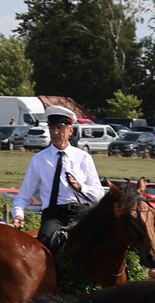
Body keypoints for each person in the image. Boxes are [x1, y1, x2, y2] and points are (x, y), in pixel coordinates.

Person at [17, 105, 105, 250]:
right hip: (53, 215)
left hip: (81, 213)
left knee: (100, 246)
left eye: (60, 128)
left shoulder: (83, 158)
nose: (56, 132)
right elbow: (23, 195)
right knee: (45, 247)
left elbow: (99, 195)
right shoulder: (39, 160)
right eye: (52, 128)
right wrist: (19, 214)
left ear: (70, 130)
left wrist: (81, 187)